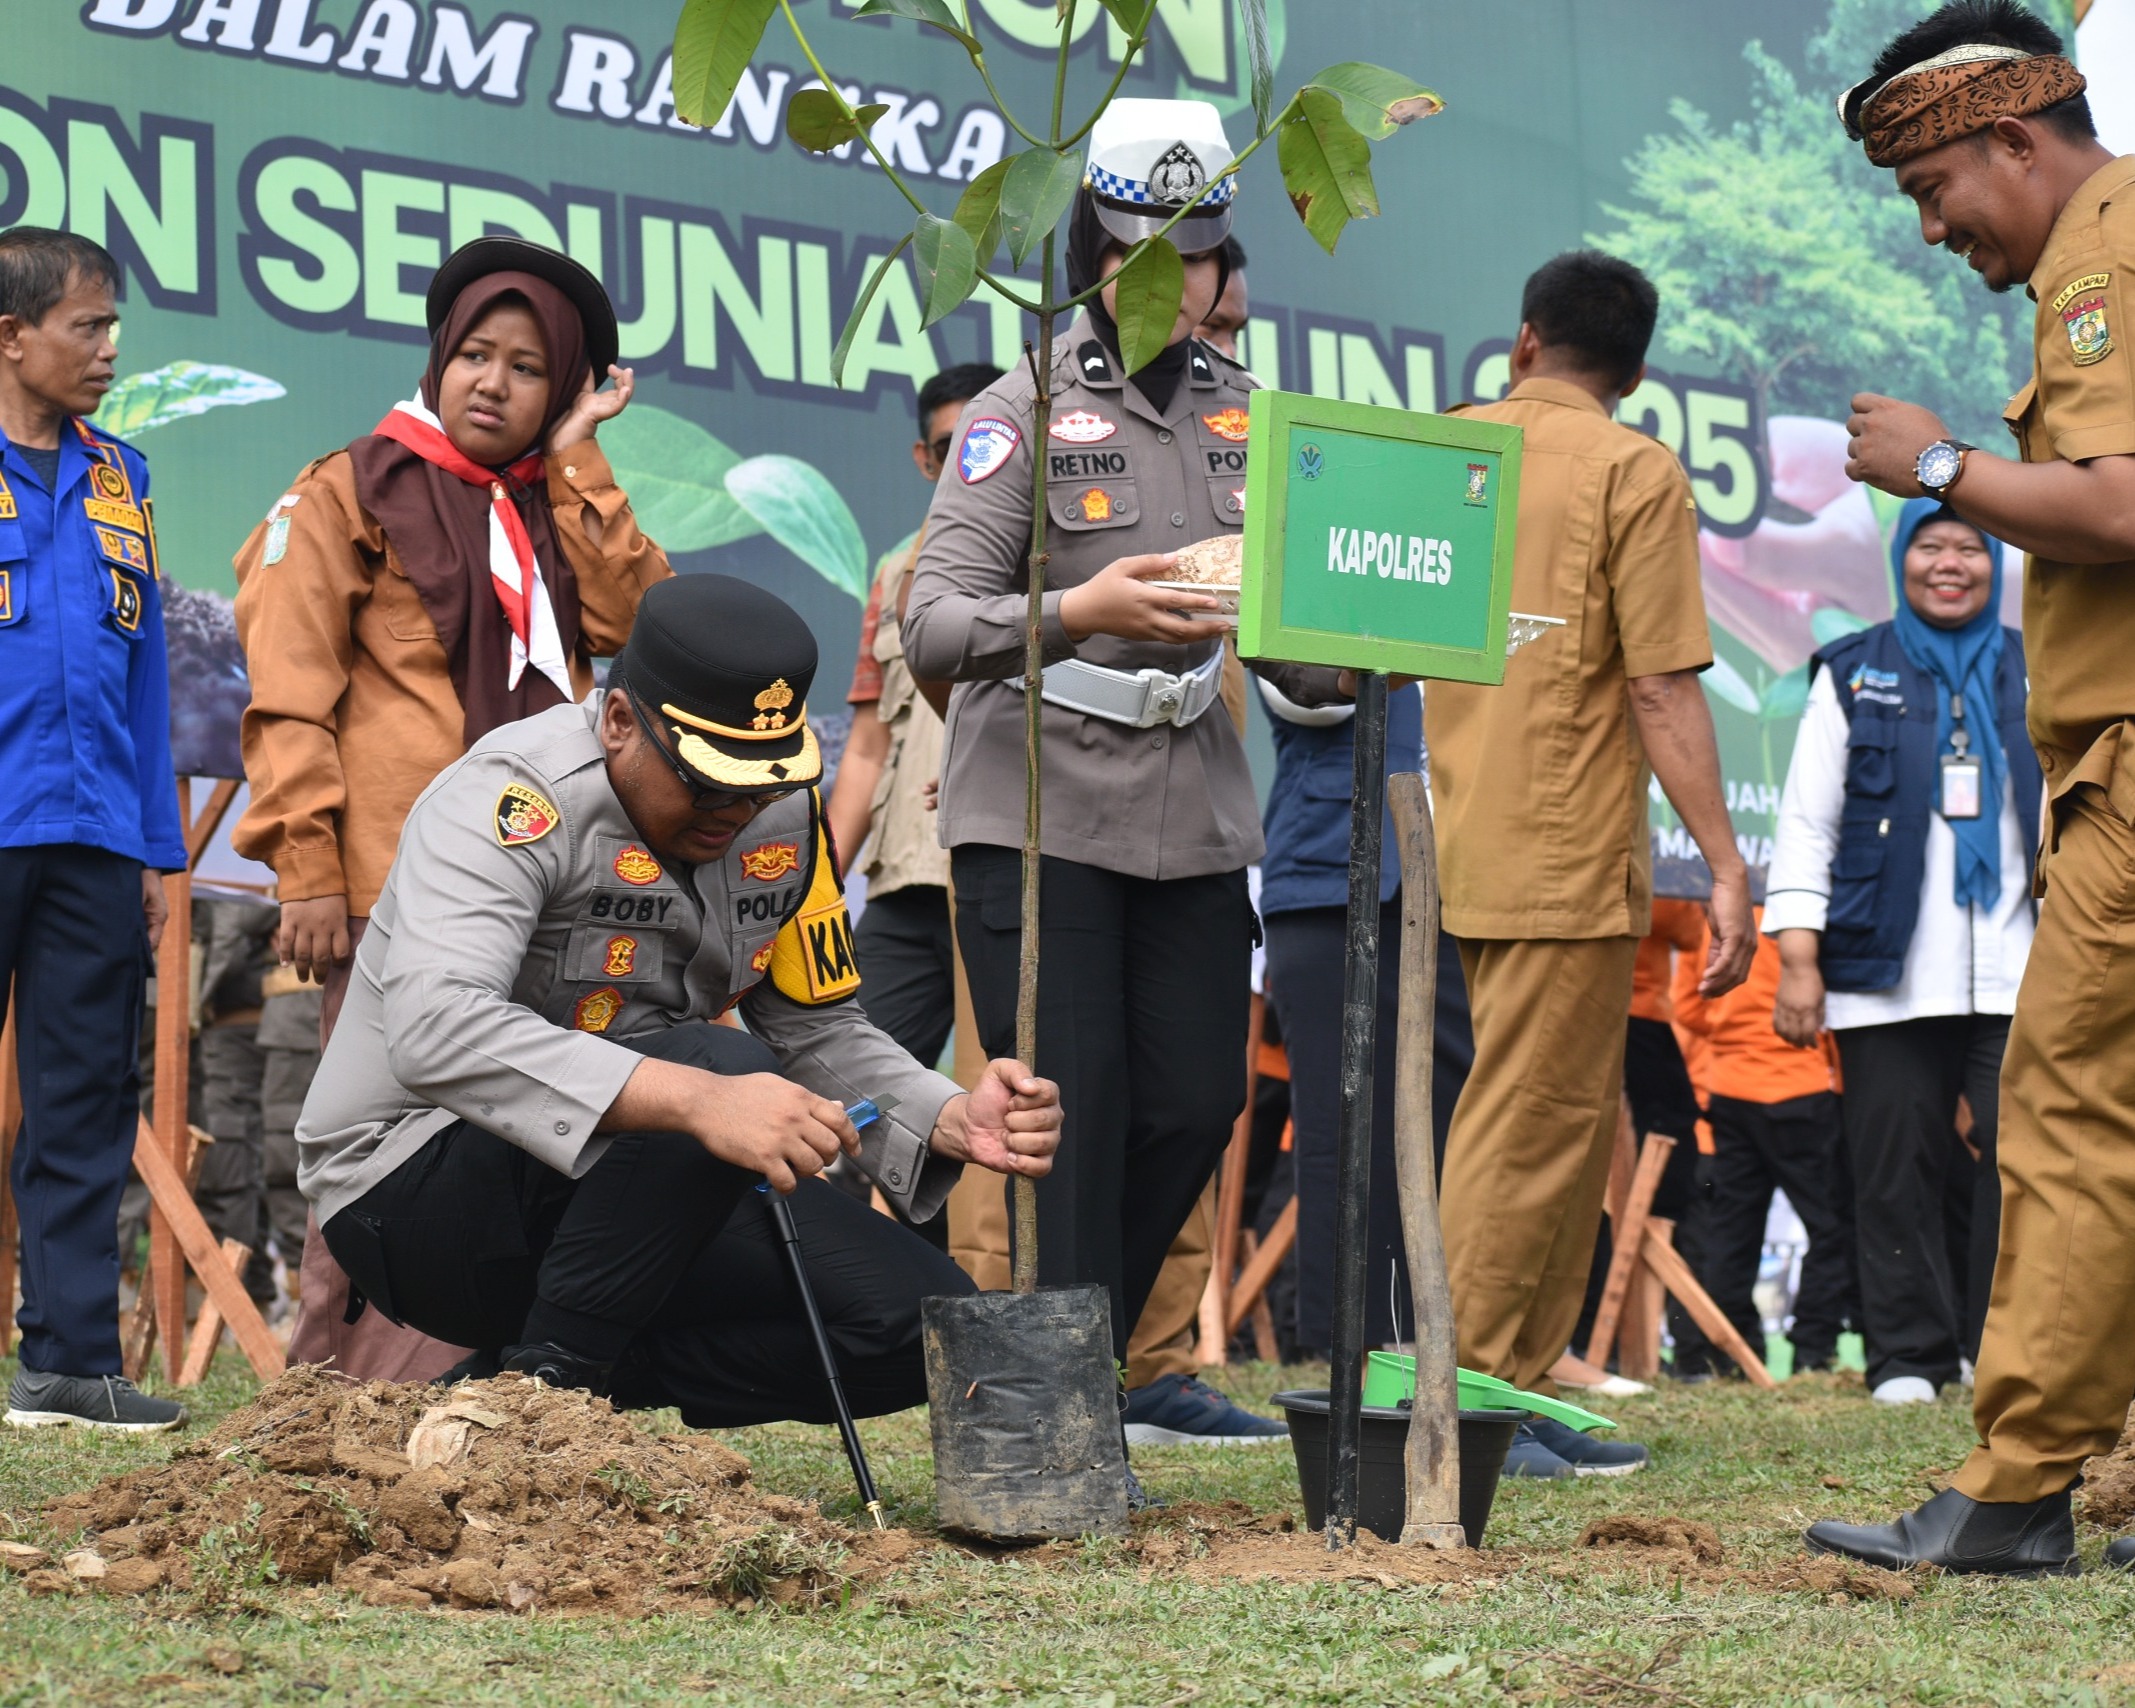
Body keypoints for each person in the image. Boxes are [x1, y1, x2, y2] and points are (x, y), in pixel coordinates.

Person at [302, 574, 1060, 1415]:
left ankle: (518, 1390)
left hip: (644, 1193)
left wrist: (944, 1114)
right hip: (414, 1192)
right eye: (707, 780)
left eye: (762, 781)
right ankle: (549, 1404)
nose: (737, 809)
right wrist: (697, 1098)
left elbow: (816, 1025)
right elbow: (435, 1029)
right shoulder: (511, 798)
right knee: (717, 1057)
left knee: (922, 1326)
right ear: (620, 721)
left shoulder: (787, 820)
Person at [905, 98, 1327, 1466]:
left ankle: (1077, 1361)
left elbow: (1291, 652)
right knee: (1059, 1112)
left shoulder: (1257, 422)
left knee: (1197, 1097)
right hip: (1036, 802)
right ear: (1094, 250)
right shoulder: (1016, 408)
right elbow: (934, 627)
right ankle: (1047, 1419)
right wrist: (1081, 611)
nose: (1172, 274)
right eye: (1142, 248)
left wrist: (1351, 659)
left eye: (1195, 250)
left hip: (1192, 804)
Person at [1811, 0, 2135, 1576]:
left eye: (1930, 188)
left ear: (2013, 139)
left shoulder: (2103, 251)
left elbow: (2116, 504)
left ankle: (2010, 1492)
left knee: (2064, 1113)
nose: (1932, 228)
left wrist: (1935, 468)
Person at [233, 235, 672, 1381]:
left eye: (527, 369)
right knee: (386, 1169)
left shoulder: (548, 507)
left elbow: (655, 627)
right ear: (438, 358)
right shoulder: (348, 487)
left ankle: (479, 1407)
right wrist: (309, 872)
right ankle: (333, 1404)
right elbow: (288, 691)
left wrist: (577, 464)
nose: (492, 381)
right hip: (394, 897)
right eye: (474, 353)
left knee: (521, 1158)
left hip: (554, 891)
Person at [1425, 251, 1756, 1479]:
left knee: (1539, 1114)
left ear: (1523, 342)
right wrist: (1721, 860)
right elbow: (1658, 680)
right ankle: (1459, 1400)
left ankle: (1503, 1383)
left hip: (1457, 824)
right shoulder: (1630, 466)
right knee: (1533, 1118)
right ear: (1634, 369)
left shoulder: (1447, 448)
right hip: (1559, 836)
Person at [1767, 501, 2035, 1405]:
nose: (1949, 563)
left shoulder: (2036, 669)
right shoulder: (1851, 672)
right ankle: (1909, 1358)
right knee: (1893, 1161)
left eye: (1969, 546)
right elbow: (1806, 825)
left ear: (1995, 563)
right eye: (1930, 545)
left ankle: (2004, 1347)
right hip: (1885, 966)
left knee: (2023, 1158)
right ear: (1900, 557)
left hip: (2024, 966)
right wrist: (1798, 960)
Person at [0, 227, 187, 1432]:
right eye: (87, 326)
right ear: (11, 337)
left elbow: (149, 678)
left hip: (95, 835)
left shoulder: (122, 477)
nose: (109, 350)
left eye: (113, 326)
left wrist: (157, 848)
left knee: (86, 1096)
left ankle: (69, 1363)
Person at [823, 361, 1005, 1252]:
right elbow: (864, 749)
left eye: (990, 438)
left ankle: (974, 1299)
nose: (970, 459)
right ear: (923, 460)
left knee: (996, 1103)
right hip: (904, 881)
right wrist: (803, 887)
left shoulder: (1058, 557)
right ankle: (885, 1286)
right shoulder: (896, 571)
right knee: (844, 1095)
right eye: (950, 447)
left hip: (1006, 878)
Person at [1258, 679, 1475, 1360]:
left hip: (1466, 888)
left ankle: (1463, 1353)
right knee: (1346, 1133)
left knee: (1466, 1123)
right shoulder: (1335, 577)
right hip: (1337, 880)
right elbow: (1305, 692)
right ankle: (1357, 1361)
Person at [1671, 916, 1855, 1382]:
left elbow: (1688, 1008)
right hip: (1801, 1085)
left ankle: (1722, 1357)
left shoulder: (1717, 919)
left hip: (1730, 1090)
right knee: (1831, 1227)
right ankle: (1813, 1350)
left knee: (1732, 1232)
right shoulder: (1803, 924)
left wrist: (1732, 1030)